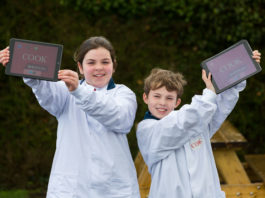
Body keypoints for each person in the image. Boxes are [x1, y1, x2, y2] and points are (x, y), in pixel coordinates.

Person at [0, 36, 140, 198]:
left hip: (113, 189)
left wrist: (78, 92)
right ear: (80, 67)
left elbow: (120, 119)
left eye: (105, 62)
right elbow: (44, 89)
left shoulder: (124, 94)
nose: (99, 68)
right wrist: (20, 63)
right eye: (91, 62)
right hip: (71, 189)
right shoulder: (65, 90)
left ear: (114, 66)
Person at [136, 50, 261, 198]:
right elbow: (186, 121)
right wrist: (209, 92)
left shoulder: (195, 121)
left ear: (177, 102)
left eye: (169, 98)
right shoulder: (147, 130)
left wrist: (242, 67)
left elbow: (220, 105)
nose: (162, 103)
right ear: (145, 98)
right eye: (157, 96)